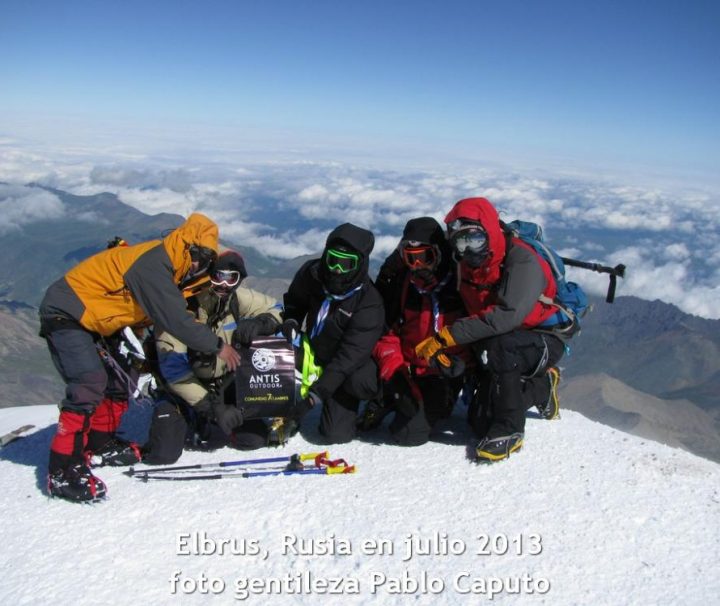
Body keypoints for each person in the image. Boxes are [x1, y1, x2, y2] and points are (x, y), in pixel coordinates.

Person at [39, 213, 241, 502]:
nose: (199, 263)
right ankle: (62, 470)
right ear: (184, 246)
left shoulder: (173, 269)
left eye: (205, 257)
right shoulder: (155, 265)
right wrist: (218, 346)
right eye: (197, 254)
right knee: (88, 381)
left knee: (122, 378)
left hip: (100, 318)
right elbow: (175, 320)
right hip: (67, 311)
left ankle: (99, 443)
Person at [414, 197, 565, 462]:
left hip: (544, 339)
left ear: (489, 232)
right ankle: (542, 386)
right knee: (479, 422)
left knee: (502, 344)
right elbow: (468, 313)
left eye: (475, 239)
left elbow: (506, 316)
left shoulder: (522, 262)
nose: (469, 249)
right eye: (461, 242)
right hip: (497, 343)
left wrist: (447, 337)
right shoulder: (467, 266)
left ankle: (510, 431)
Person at [155, 249, 287, 451]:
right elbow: (173, 370)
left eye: (231, 278)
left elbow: (277, 308)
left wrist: (260, 324)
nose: (224, 284)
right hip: (183, 387)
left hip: (222, 383)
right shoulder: (181, 308)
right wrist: (212, 408)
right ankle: (186, 413)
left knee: (252, 440)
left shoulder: (234, 299)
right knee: (165, 451)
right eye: (218, 276)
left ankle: (210, 420)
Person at [364, 217, 471, 445]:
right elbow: (386, 333)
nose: (417, 266)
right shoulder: (401, 286)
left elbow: (475, 330)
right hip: (404, 366)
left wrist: (459, 363)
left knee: (408, 434)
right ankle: (391, 397)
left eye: (425, 257)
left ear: (439, 253)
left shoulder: (459, 287)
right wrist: (396, 374)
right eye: (410, 259)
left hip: (441, 372)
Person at [282, 223, 384, 444]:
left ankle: (379, 399)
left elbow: (348, 359)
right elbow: (295, 301)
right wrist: (291, 320)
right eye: (332, 259)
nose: (337, 269)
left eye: (347, 264)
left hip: (343, 367)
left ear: (360, 265)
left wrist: (312, 399)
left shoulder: (369, 303)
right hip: (313, 351)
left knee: (335, 435)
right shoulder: (312, 274)